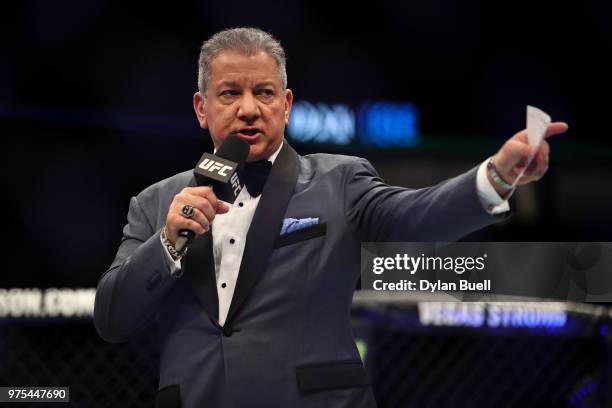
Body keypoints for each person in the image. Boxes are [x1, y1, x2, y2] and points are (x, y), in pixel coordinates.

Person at [93, 27, 568, 408]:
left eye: (264, 92)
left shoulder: (339, 180)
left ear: (287, 104)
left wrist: (495, 177)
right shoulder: (156, 203)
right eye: (229, 93)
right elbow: (112, 318)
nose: (249, 109)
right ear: (201, 108)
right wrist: (168, 243)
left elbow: (417, 217)